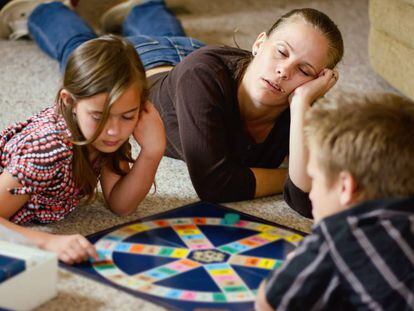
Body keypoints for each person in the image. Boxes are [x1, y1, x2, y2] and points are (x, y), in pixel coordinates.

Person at [0, 0, 344, 218]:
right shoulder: (202, 73)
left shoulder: (303, 103)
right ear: (259, 43)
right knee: (81, 50)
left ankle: (144, 8)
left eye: (306, 71)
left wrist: (301, 105)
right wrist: (290, 178)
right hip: (149, 66)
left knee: (175, 38)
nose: (285, 71)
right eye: (281, 52)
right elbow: (216, 184)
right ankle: (46, 8)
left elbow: (307, 204)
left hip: (190, 55)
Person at [0, 35, 166, 264]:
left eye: (127, 116)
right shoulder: (48, 151)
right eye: (99, 117)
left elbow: (121, 205)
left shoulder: (103, 137)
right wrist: (47, 242)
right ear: (69, 102)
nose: (114, 131)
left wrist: (153, 151)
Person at [255, 92, 414, 310]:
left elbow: (268, 303)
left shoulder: (341, 237)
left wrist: (297, 263)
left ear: (345, 187)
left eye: (315, 180)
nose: (310, 193)